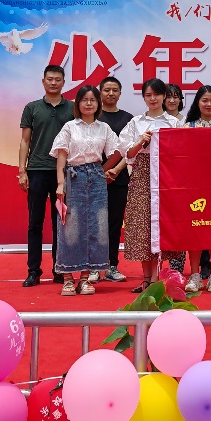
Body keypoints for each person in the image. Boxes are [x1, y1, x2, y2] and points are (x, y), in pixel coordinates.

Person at [50, 85, 122, 295]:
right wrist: (60, 184)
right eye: (84, 100)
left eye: (93, 100)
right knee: (70, 227)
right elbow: (61, 155)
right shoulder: (70, 127)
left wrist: (103, 170)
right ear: (78, 103)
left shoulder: (104, 128)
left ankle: (85, 278)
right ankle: (68, 278)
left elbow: (118, 151)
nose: (89, 103)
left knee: (96, 226)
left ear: (98, 103)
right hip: (73, 177)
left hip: (97, 179)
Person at [118, 78, 183, 292]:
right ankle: (146, 278)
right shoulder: (136, 122)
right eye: (148, 95)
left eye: (156, 94)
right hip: (142, 174)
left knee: (161, 225)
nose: (152, 98)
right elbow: (128, 153)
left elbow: (181, 152)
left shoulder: (173, 123)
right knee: (142, 225)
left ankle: (157, 278)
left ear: (164, 96)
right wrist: (141, 141)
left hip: (165, 174)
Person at [19, 65, 74, 287]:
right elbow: (25, 141)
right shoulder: (32, 108)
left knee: (61, 223)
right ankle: (33, 271)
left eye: (57, 79)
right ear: (43, 82)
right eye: (50, 79)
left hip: (64, 172)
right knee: (35, 223)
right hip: (37, 170)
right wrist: (22, 170)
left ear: (63, 82)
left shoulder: (72, 108)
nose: (53, 83)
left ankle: (60, 269)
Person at [182, 85, 211, 294]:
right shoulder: (187, 127)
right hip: (194, 186)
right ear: (197, 103)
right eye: (205, 100)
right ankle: (194, 274)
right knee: (195, 230)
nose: (209, 104)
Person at [90, 76, 132, 285]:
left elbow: (130, 150)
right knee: (95, 224)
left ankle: (112, 266)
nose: (111, 93)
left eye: (115, 90)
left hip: (119, 177)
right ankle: (94, 267)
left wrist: (115, 169)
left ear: (120, 93)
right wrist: (100, 172)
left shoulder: (128, 119)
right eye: (107, 90)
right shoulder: (92, 117)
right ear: (100, 92)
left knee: (114, 224)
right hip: (93, 178)